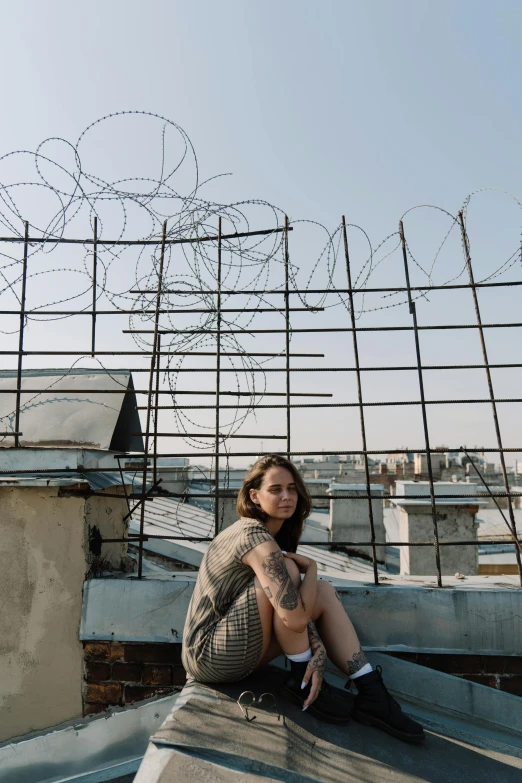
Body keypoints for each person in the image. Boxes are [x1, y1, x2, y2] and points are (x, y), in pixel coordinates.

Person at [182, 454, 424, 744]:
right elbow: (294, 617)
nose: (287, 496)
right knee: (292, 570)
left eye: (292, 488)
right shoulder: (253, 535)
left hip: (236, 648)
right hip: (209, 655)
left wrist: (317, 642)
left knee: (320, 589)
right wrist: (311, 567)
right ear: (254, 496)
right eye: (276, 489)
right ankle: (302, 679)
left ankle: (372, 692)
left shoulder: (271, 538)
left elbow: (288, 608)